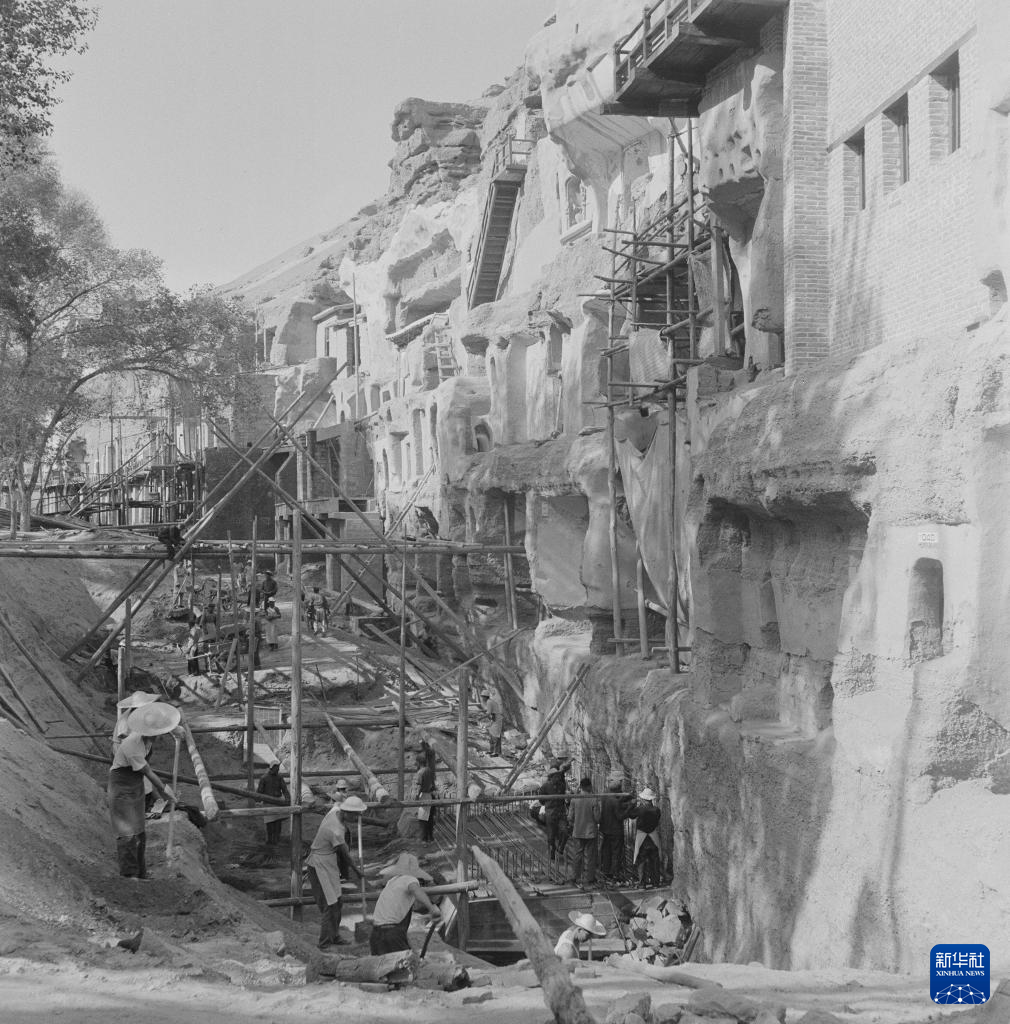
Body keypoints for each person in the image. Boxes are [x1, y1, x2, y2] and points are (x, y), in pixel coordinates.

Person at [108, 702, 179, 879]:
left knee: (139, 830)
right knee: (127, 831)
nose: (158, 734)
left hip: (135, 784)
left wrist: (176, 730)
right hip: (121, 785)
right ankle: (129, 874)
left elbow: (166, 723)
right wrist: (165, 789)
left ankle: (141, 873)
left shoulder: (148, 739)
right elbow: (148, 772)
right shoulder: (132, 745)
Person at [305, 798, 362, 948]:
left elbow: (336, 803)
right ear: (347, 812)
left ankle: (335, 936)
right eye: (355, 815)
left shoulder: (335, 810)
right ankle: (324, 943)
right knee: (329, 905)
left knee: (338, 902)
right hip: (319, 866)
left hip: (329, 864)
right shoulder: (335, 830)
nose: (357, 818)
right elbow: (346, 856)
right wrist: (357, 871)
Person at [369, 852, 439, 955]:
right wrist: (432, 908)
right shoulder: (409, 879)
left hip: (375, 935)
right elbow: (415, 889)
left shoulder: (392, 882)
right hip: (391, 933)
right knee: (404, 964)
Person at [539, 757, 571, 870]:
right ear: (551, 777)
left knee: (565, 832)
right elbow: (541, 800)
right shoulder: (545, 786)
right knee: (551, 836)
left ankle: (560, 848)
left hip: (561, 812)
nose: (558, 777)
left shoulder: (562, 785)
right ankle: (552, 851)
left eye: (559, 776)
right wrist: (549, 804)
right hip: (551, 812)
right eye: (556, 776)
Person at [567, 776, 600, 889]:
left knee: (577, 855)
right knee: (591, 856)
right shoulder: (594, 799)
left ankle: (574, 877)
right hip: (590, 832)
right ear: (589, 786)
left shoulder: (574, 799)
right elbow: (597, 818)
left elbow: (570, 817)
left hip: (578, 831)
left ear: (581, 787)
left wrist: (574, 824)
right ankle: (590, 878)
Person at [598, 778, 633, 883]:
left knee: (606, 851)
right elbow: (620, 816)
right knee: (616, 853)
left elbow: (616, 803)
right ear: (617, 790)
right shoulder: (615, 801)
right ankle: (615, 874)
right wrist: (630, 807)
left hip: (605, 828)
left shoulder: (605, 796)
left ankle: (606, 871)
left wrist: (625, 797)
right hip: (616, 830)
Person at [631, 787, 662, 889]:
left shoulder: (640, 809)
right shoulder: (657, 810)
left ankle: (642, 884)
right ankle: (656, 882)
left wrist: (632, 804)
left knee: (642, 861)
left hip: (642, 838)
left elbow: (631, 815)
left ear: (644, 799)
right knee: (655, 861)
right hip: (653, 837)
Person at [256, 763, 290, 846]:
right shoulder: (264, 778)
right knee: (270, 824)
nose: (277, 770)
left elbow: (284, 789)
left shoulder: (279, 778)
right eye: (276, 768)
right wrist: (257, 799)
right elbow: (259, 791)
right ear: (271, 768)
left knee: (278, 823)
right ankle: (270, 841)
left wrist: (288, 799)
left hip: (278, 802)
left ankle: (276, 840)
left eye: (278, 768)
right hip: (268, 803)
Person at [413, 752, 437, 843]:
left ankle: (424, 839)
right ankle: (431, 837)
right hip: (431, 795)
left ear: (419, 762)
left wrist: (416, 797)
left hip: (424, 795)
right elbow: (433, 783)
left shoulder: (420, 773)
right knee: (430, 817)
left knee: (423, 818)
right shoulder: (429, 770)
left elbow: (418, 787)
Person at [481, 688, 504, 757]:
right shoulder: (489, 702)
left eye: (483, 697)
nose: (482, 698)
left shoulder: (489, 702)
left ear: (486, 697)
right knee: (491, 735)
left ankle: (496, 752)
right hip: (493, 719)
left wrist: (480, 718)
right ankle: (491, 750)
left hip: (497, 720)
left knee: (496, 736)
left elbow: (488, 713)